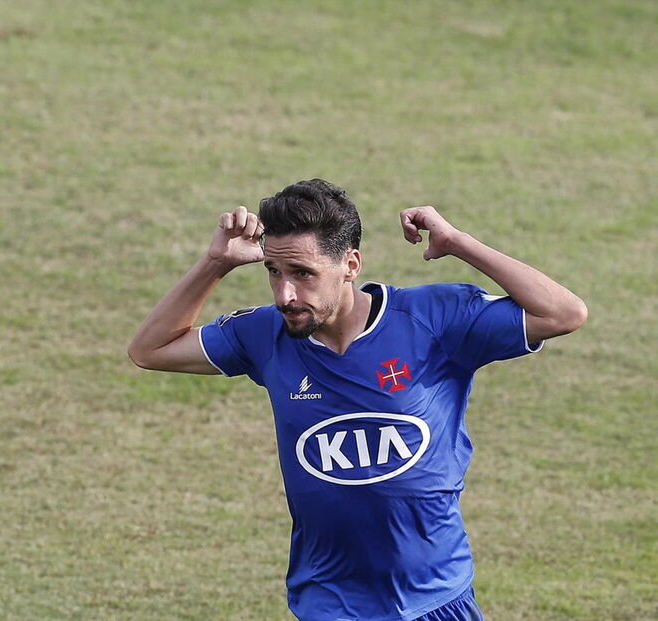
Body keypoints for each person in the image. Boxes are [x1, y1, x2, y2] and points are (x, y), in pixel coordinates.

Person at [127, 179, 587, 621]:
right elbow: (150, 350)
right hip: (332, 603)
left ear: (350, 264)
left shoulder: (434, 320)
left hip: (436, 598)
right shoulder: (263, 335)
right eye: (274, 271)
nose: (285, 293)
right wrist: (215, 263)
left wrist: (460, 243)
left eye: (303, 274)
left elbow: (564, 313)